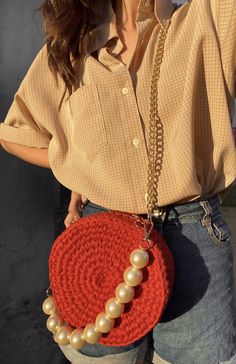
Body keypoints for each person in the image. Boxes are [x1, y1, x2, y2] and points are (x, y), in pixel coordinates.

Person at [0, 0, 236, 363]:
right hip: (102, 237)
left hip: (194, 234)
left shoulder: (206, 17)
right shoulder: (71, 44)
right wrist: (83, 166)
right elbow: (16, 134)